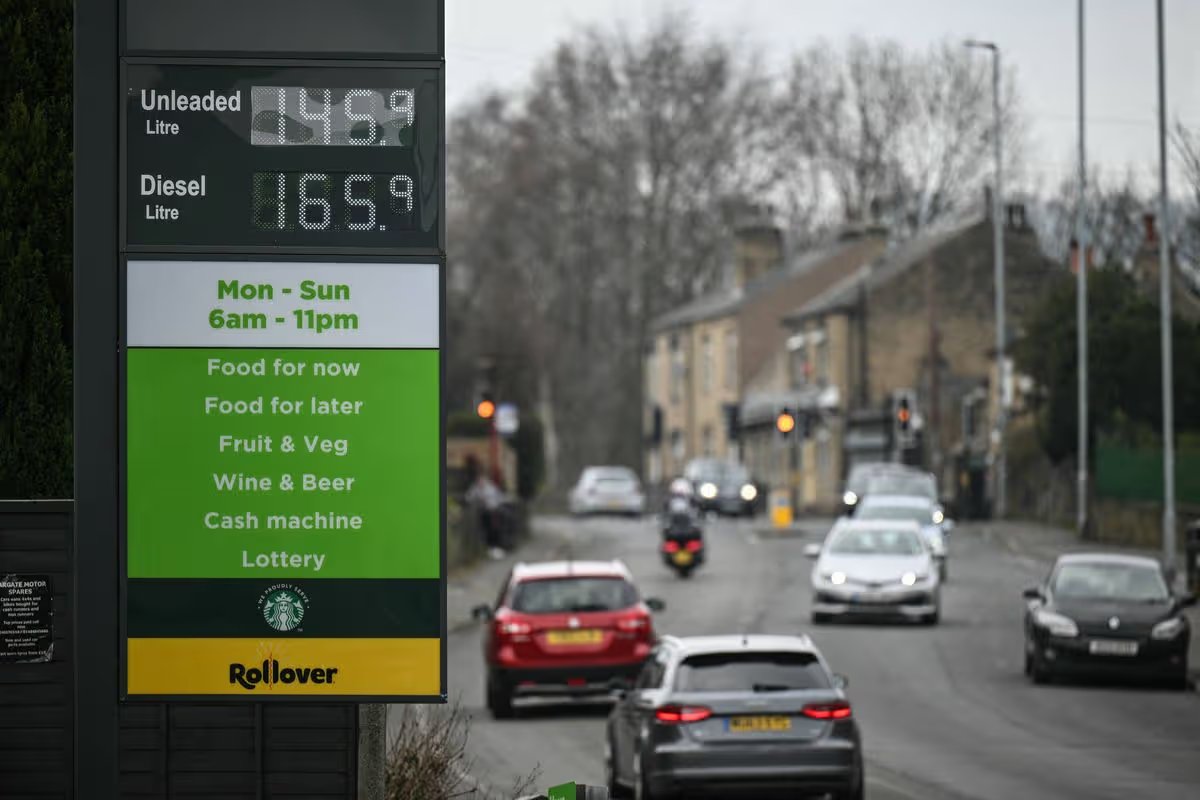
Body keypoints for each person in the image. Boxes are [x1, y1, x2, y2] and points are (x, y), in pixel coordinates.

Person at [465, 455, 509, 559]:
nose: (481, 481)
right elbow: (468, 498)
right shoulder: (475, 489)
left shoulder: (490, 487)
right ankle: (492, 547)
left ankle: (499, 546)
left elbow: (499, 497)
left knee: (502, 519)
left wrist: (498, 504)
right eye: (479, 479)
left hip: (495, 510)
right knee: (491, 523)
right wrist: (480, 502)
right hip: (485, 512)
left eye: (482, 478)